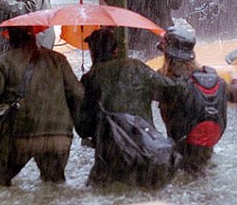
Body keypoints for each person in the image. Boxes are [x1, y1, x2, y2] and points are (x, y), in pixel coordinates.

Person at [0, 26, 83, 186]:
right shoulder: (58, 60)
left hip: (20, 136)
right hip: (58, 137)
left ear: (10, 39)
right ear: (34, 36)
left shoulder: (3, 63)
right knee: (54, 186)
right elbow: (78, 94)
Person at [74, 28, 182, 186]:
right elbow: (172, 90)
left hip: (110, 159)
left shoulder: (90, 78)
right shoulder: (137, 67)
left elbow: (83, 128)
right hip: (145, 152)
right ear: (116, 50)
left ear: (92, 53)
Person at [157, 26, 237, 174]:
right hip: (206, 155)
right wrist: (236, 78)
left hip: (179, 157)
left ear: (167, 55)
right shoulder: (212, 79)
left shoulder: (167, 81)